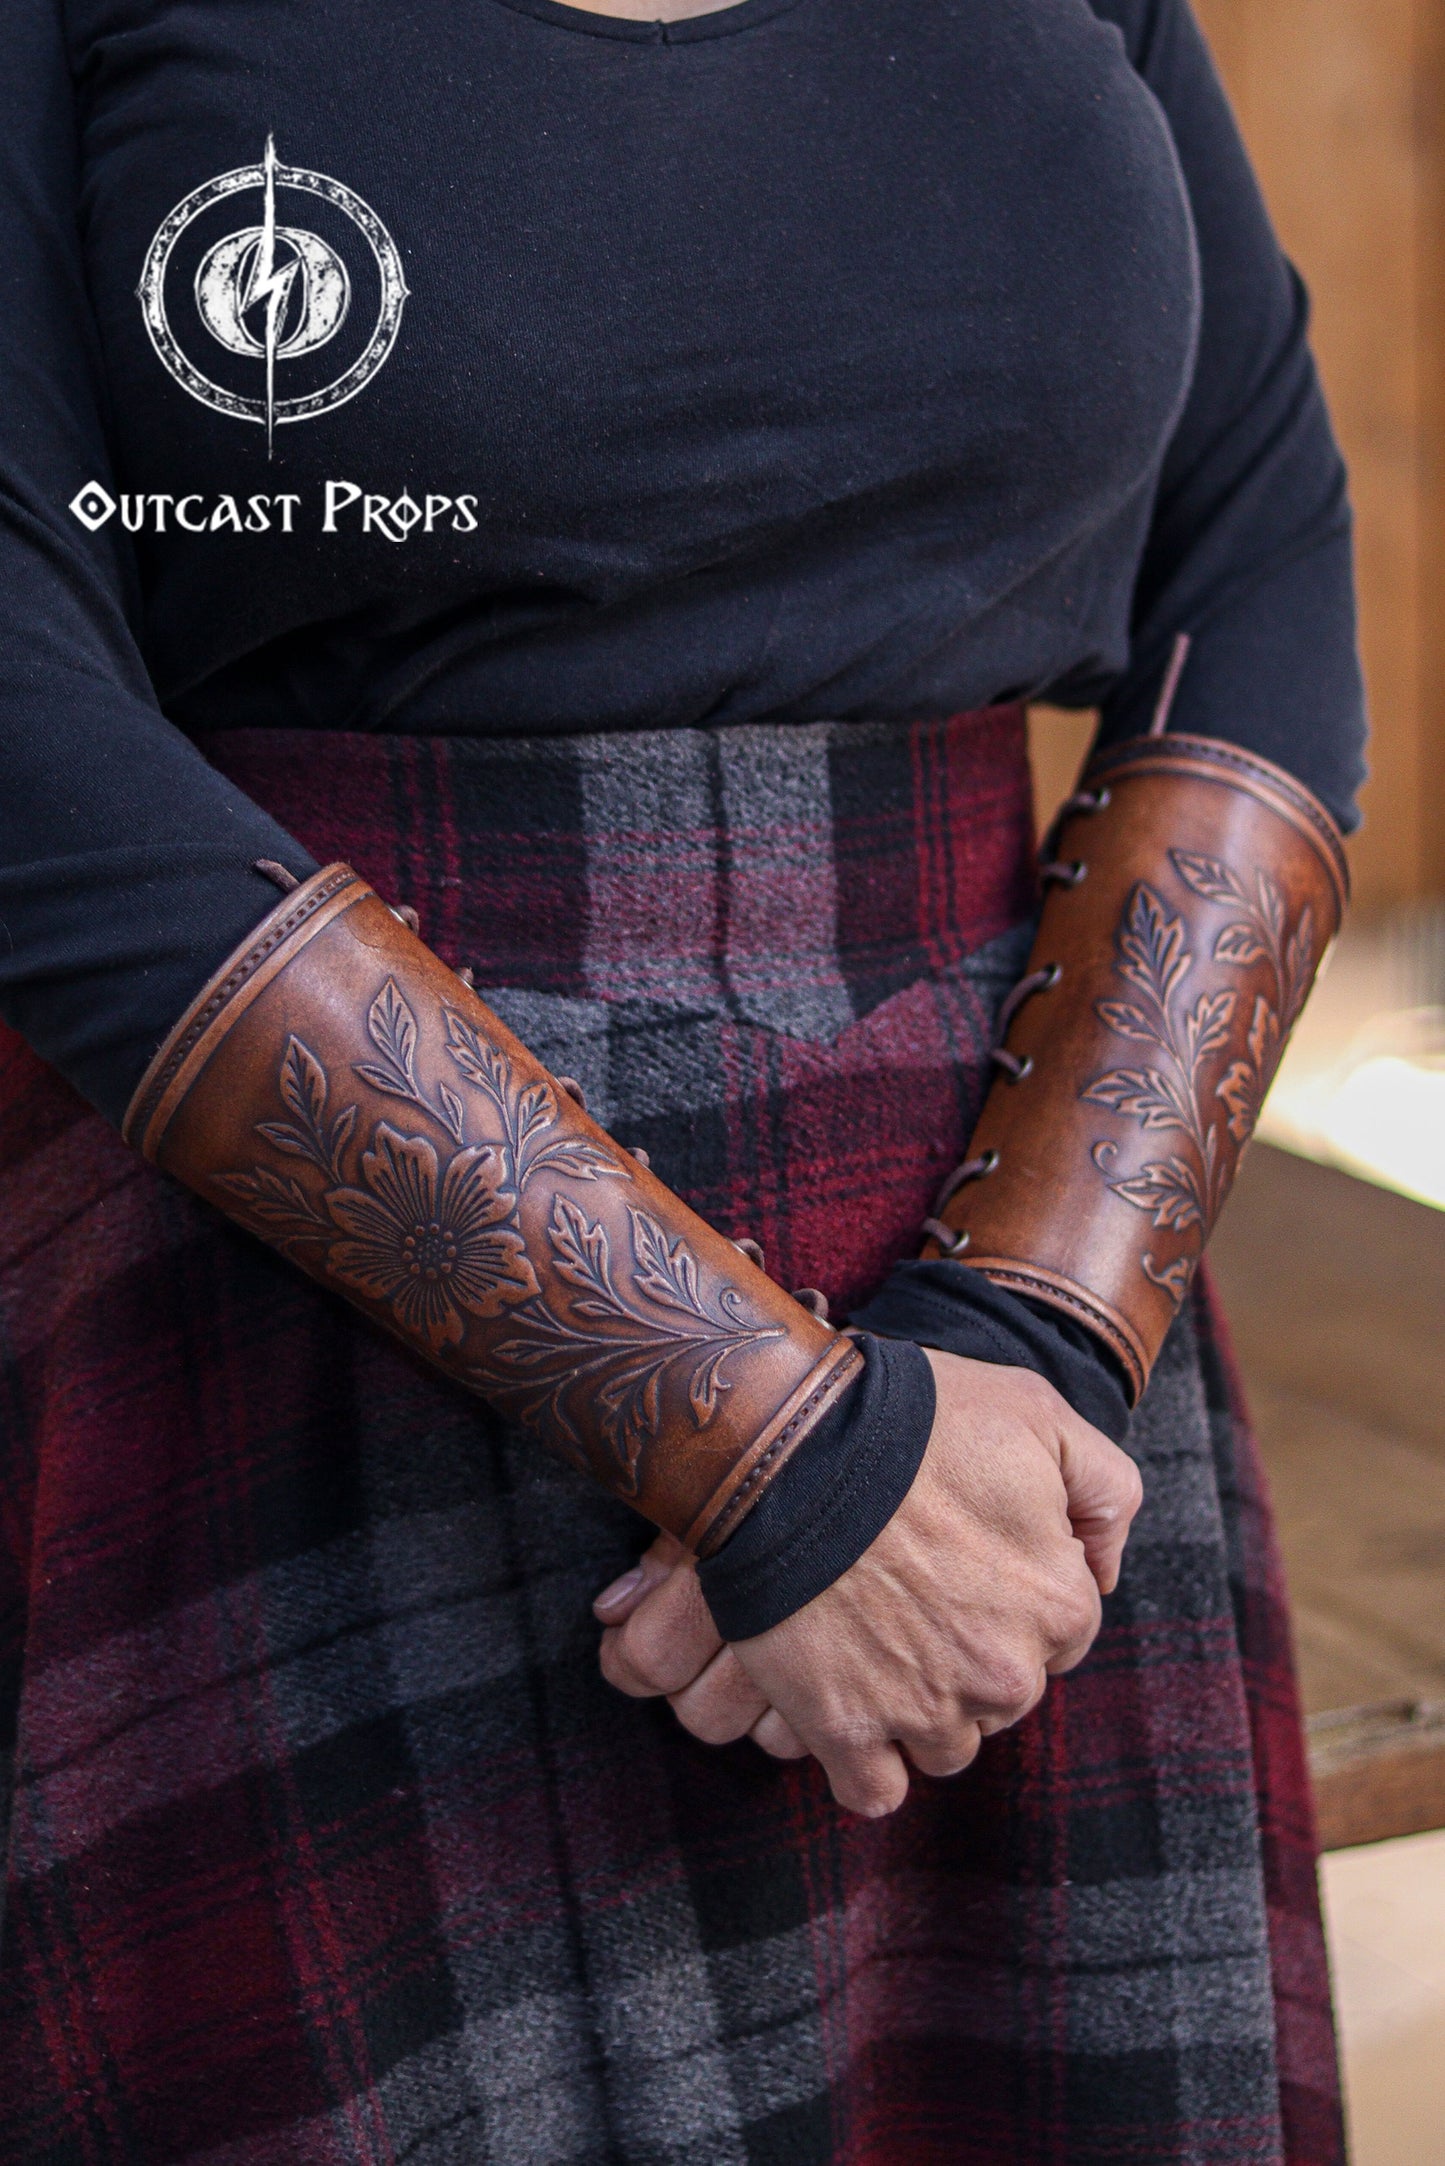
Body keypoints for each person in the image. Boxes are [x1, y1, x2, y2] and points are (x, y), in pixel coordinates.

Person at [0, 0, 1363, 2155]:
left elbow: (1265, 550)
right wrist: (760, 1443)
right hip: (310, 1296)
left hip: (1009, 1344)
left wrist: (1034, 1313)